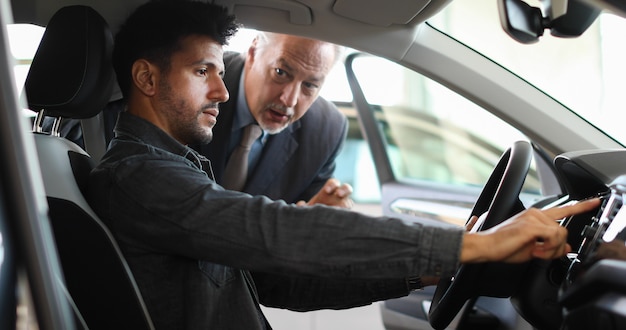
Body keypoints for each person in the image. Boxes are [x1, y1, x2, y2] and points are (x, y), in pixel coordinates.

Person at [86, 1, 601, 329]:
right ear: (147, 79)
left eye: (220, 72)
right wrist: (474, 244)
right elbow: (273, 231)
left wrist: (436, 265)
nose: (221, 90)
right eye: (203, 72)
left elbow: (276, 280)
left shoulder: (175, 166)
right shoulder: (137, 176)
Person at [193, 31, 352, 208]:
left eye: (309, 85)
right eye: (281, 73)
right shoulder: (198, 82)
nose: (289, 100)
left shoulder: (326, 130)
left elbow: (311, 210)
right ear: (253, 53)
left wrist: (321, 215)